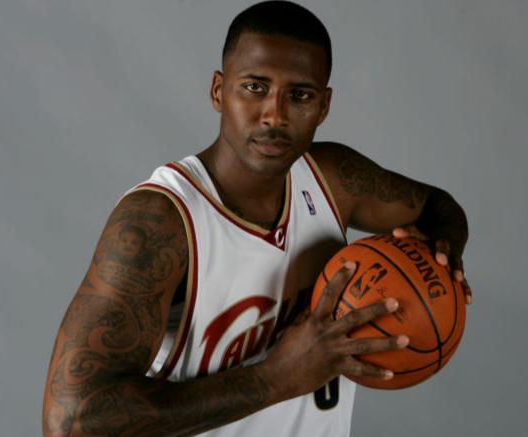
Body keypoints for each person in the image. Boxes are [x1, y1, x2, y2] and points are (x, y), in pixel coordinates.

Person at [42, 1, 470, 436]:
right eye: (254, 87)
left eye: (300, 95)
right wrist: (273, 379)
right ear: (218, 91)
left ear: (324, 106)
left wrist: (444, 252)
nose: (275, 115)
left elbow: (438, 208)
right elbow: (72, 422)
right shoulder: (163, 221)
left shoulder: (334, 179)